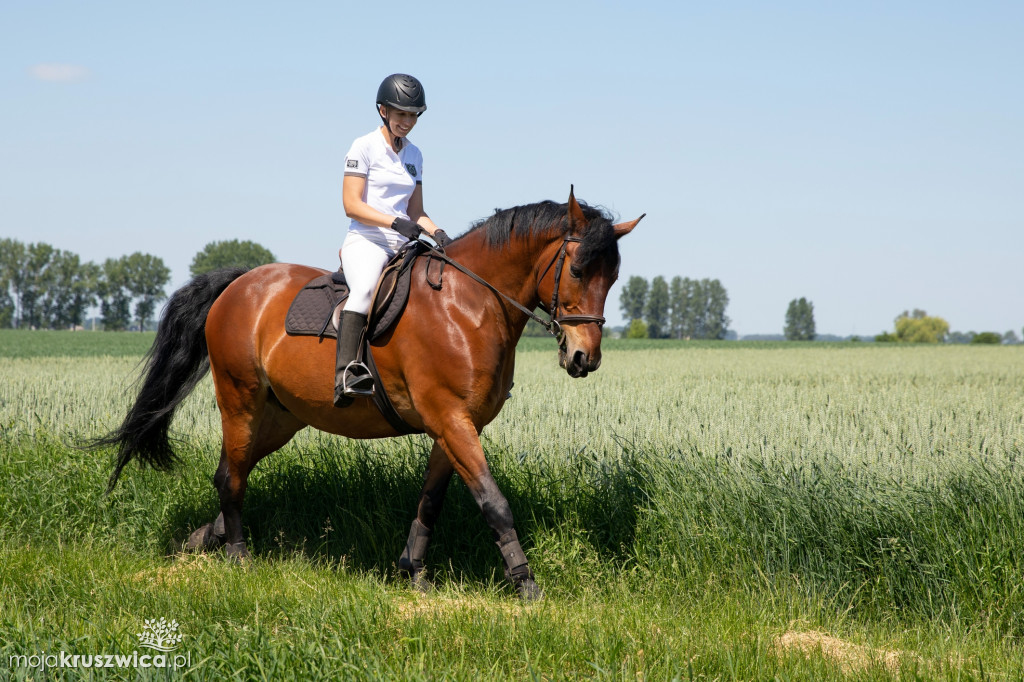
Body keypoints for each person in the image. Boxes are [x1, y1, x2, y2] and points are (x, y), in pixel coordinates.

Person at [335, 74, 451, 407]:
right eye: (401, 114)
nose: (408, 122)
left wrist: (438, 232)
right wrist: (394, 222)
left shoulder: (415, 155)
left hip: (403, 242)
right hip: (367, 239)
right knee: (365, 290)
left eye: (413, 115)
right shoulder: (363, 146)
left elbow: (417, 211)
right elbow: (351, 205)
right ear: (383, 111)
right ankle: (346, 374)